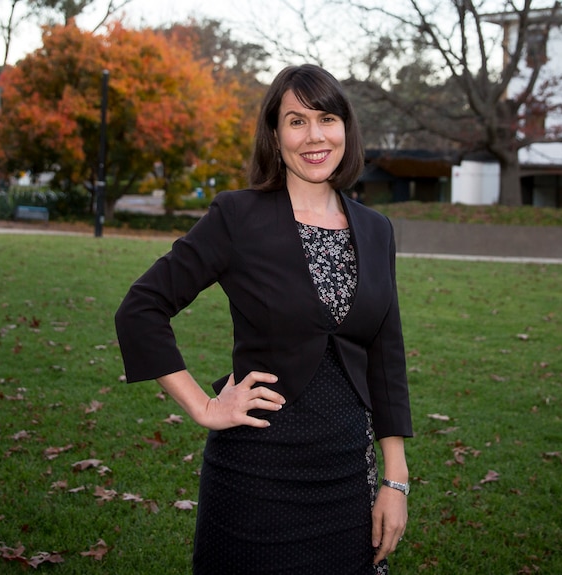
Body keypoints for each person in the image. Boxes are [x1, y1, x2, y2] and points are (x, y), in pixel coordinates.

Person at [115, 64, 413, 574]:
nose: (314, 135)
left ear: (346, 128)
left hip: (348, 479)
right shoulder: (238, 217)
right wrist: (205, 407)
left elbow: (385, 358)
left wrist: (395, 480)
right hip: (255, 480)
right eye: (296, 121)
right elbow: (141, 309)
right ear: (276, 136)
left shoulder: (376, 229)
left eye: (326, 118)